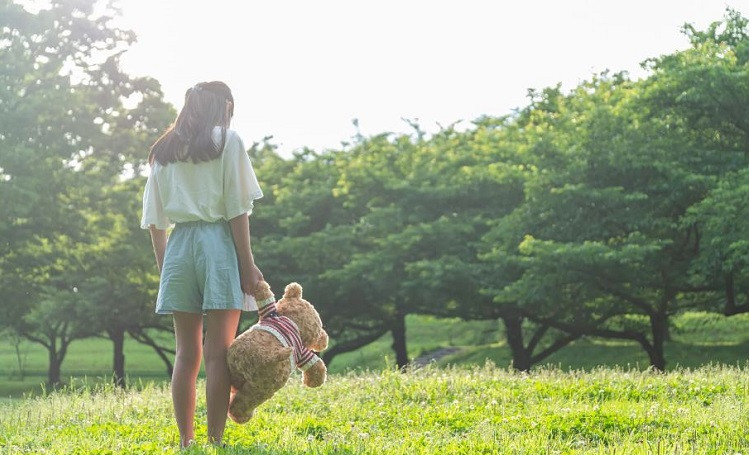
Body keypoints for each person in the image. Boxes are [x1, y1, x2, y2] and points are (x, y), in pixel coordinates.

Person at [140, 81, 264, 448]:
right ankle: (215, 440)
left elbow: (155, 220)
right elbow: (237, 209)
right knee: (218, 352)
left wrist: (166, 270)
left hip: (178, 248)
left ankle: (185, 441)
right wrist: (248, 265)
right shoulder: (228, 140)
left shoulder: (164, 149)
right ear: (225, 104)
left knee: (186, 352)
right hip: (217, 245)